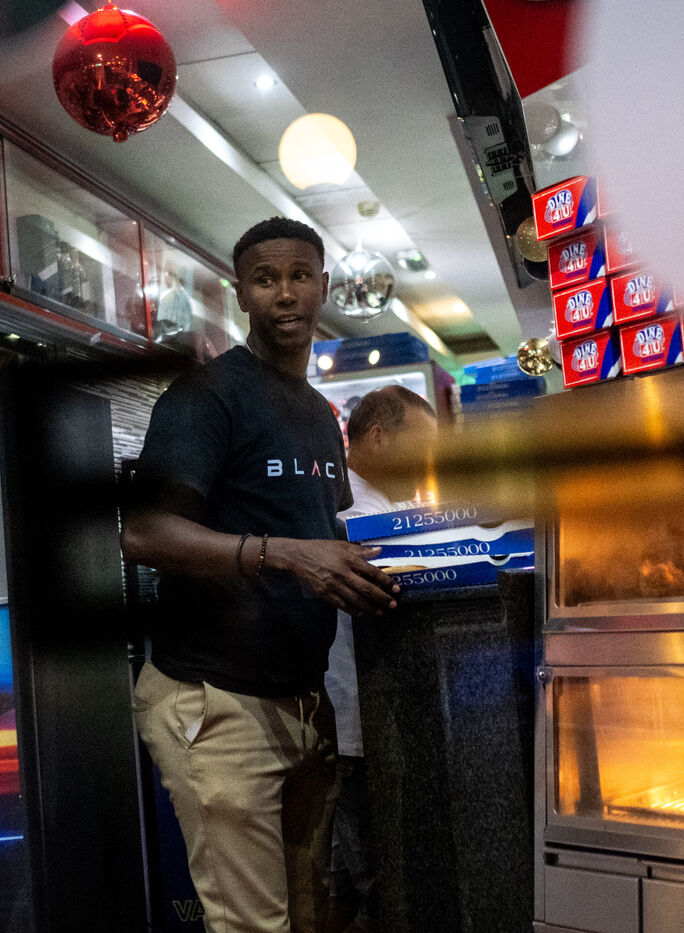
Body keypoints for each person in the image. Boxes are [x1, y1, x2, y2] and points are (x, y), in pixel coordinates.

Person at [121, 216, 402, 933]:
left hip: (304, 705)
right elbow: (143, 532)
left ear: (324, 287)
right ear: (241, 292)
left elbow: (325, 534)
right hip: (216, 702)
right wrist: (285, 553)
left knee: (310, 918)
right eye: (266, 279)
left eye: (300, 276)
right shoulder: (206, 395)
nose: (285, 293)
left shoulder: (317, 414)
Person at [324, 386, 438, 933]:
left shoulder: (387, 506)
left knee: (346, 884)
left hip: (364, 726)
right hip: (360, 728)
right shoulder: (355, 514)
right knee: (383, 883)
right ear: (377, 438)